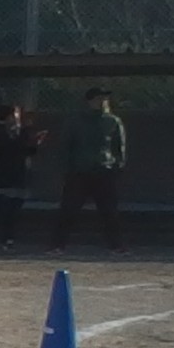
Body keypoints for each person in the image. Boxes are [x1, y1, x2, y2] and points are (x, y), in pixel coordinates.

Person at [56, 88, 127, 251]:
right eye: (98, 99)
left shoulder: (112, 121)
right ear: (89, 101)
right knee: (68, 209)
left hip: (104, 170)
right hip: (79, 171)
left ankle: (117, 245)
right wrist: (67, 169)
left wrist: (117, 165)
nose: (102, 102)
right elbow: (65, 146)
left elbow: (119, 147)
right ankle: (58, 244)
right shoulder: (75, 121)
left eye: (104, 99)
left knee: (110, 211)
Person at [0, 101, 44, 252]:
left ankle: (7, 238)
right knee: (1, 209)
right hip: (3, 176)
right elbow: (12, 148)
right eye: (16, 115)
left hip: (17, 175)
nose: (18, 118)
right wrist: (25, 132)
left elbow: (24, 151)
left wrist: (34, 142)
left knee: (13, 210)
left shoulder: (14, 131)